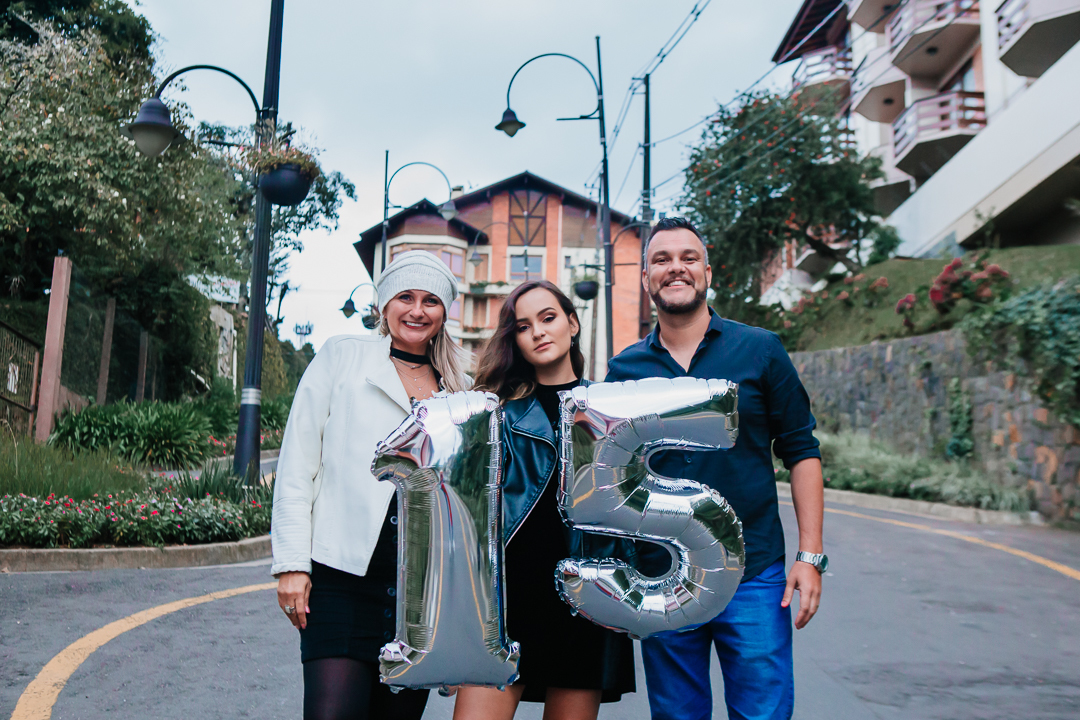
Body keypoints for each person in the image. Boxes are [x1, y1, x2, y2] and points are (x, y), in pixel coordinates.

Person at [606, 217, 826, 720]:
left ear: (707, 271)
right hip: (663, 575)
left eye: (687, 257)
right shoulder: (624, 372)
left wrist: (810, 556)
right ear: (646, 278)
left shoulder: (761, 350)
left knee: (762, 715)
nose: (675, 268)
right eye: (661, 260)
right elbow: (609, 476)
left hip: (754, 573)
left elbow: (801, 450)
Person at [271, 250, 471, 720]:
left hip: (420, 592)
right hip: (341, 577)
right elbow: (299, 466)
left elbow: (468, 501)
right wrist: (292, 565)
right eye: (405, 297)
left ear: (444, 311)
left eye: (430, 301)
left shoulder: (460, 386)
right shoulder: (342, 357)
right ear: (384, 304)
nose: (417, 311)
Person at [454, 280, 636, 720]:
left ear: (572, 323)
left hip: (585, 603)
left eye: (548, 318)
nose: (537, 331)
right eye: (523, 325)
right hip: (508, 604)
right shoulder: (494, 411)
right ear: (513, 339)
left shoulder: (612, 410)